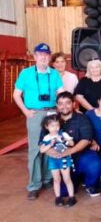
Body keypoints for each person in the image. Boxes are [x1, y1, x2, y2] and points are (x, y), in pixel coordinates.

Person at [13, 42, 64, 200]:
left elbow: (61, 93)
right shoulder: (26, 73)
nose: (43, 57)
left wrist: (62, 110)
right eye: (40, 55)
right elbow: (16, 94)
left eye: (46, 55)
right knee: (35, 149)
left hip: (51, 113)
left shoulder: (54, 74)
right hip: (34, 114)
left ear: (49, 57)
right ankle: (34, 185)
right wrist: (26, 111)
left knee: (51, 144)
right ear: (35, 56)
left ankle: (48, 178)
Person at [41, 92, 101, 197]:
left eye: (67, 103)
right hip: (61, 160)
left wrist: (68, 151)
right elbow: (41, 142)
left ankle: (89, 184)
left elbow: (86, 139)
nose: (64, 106)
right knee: (63, 193)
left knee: (95, 164)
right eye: (60, 103)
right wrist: (51, 152)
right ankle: (76, 179)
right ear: (57, 105)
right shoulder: (50, 120)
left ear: (73, 104)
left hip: (81, 155)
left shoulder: (82, 118)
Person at [39, 114, 76, 207]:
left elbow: (72, 143)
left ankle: (72, 197)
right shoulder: (46, 138)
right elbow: (42, 150)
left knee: (67, 178)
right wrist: (50, 144)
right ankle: (58, 197)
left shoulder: (63, 134)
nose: (55, 128)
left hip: (64, 159)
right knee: (56, 179)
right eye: (52, 126)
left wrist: (64, 139)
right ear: (46, 127)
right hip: (53, 160)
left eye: (57, 125)